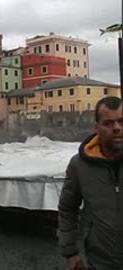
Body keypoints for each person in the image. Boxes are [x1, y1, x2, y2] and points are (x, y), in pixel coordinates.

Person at [58, 96, 123, 270]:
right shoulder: (79, 165)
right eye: (108, 123)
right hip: (99, 261)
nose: (117, 128)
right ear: (97, 127)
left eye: (121, 121)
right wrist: (70, 253)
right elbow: (67, 208)